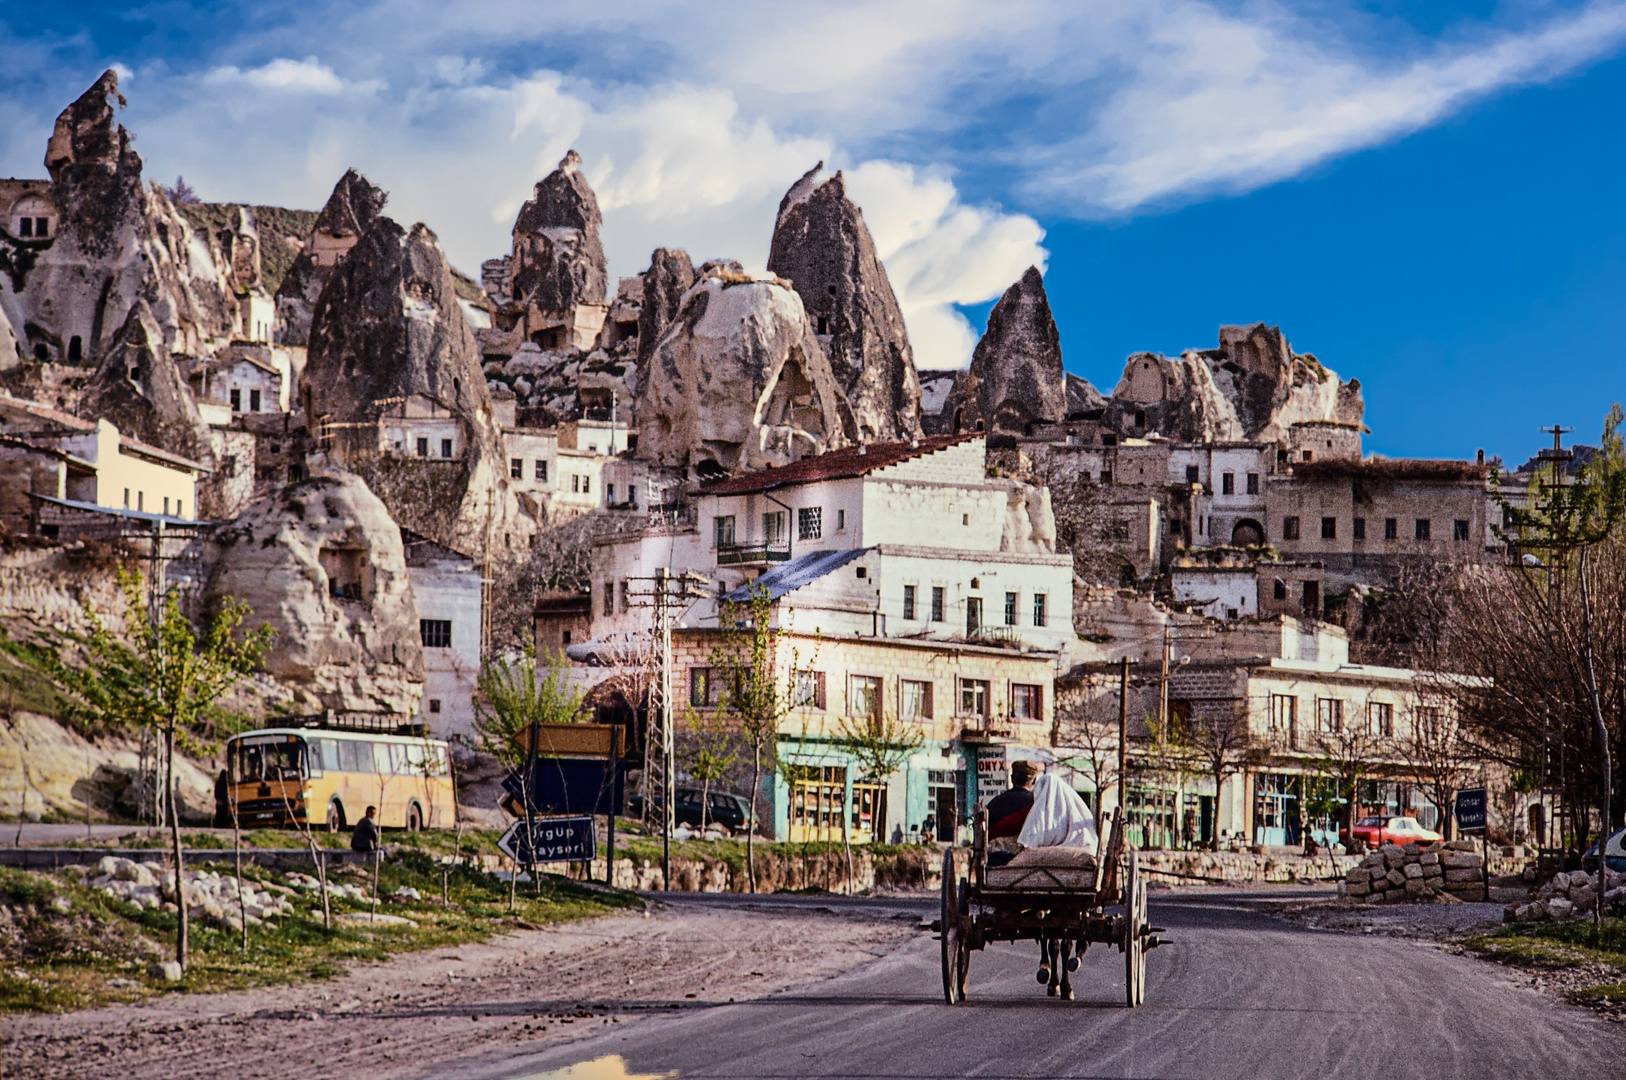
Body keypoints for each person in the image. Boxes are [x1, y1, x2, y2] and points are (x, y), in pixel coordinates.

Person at [987, 760, 1039, 840]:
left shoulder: (995, 802)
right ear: (1034, 781)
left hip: (996, 850)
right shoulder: (1036, 802)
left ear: (1012, 779)